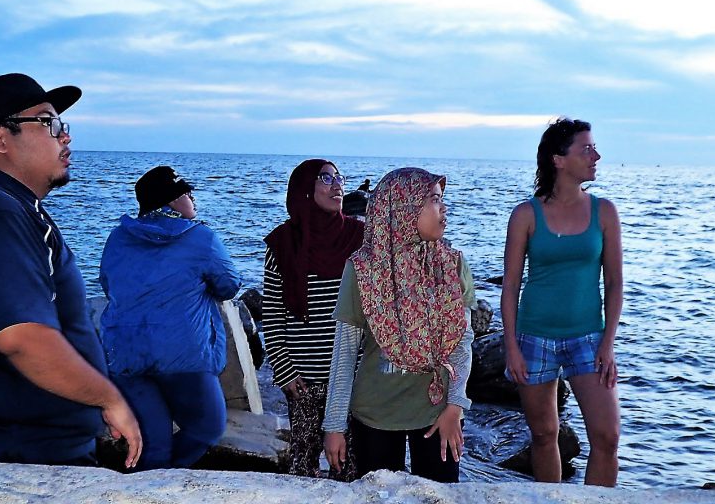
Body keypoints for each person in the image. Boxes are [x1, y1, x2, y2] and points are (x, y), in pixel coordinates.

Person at [0, 73, 141, 467]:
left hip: (28, 450)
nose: (65, 136)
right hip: (8, 460)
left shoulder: (9, 206)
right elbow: (23, 337)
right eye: (48, 122)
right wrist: (109, 398)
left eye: (63, 125)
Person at [322, 167, 476, 483]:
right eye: (434, 200)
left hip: (438, 412)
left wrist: (455, 407)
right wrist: (334, 425)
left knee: (440, 495)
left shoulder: (452, 264)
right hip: (375, 414)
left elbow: (463, 342)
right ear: (403, 209)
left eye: (442, 199)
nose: (443, 208)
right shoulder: (363, 269)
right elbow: (345, 353)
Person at [500, 117, 622, 487]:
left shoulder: (604, 212)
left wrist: (608, 343)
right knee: (543, 435)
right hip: (535, 338)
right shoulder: (525, 214)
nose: (596, 155)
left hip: (588, 337)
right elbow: (510, 287)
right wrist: (511, 348)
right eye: (586, 149)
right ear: (558, 159)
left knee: (607, 437)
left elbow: (615, 284)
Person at [99, 165, 241, 470]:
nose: (193, 197)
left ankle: (151, 482)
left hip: (125, 356)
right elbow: (229, 285)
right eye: (187, 192)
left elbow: (107, 283)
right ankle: (167, 481)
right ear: (172, 201)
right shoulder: (201, 237)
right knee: (208, 427)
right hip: (184, 356)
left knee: (154, 444)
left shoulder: (117, 238)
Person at [262, 159, 364, 479]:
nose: (338, 185)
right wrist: (283, 369)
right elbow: (273, 314)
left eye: (339, 178)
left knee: (351, 472)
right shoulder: (281, 243)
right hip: (303, 382)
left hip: (353, 379)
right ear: (305, 189)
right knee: (302, 470)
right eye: (326, 178)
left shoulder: (359, 237)